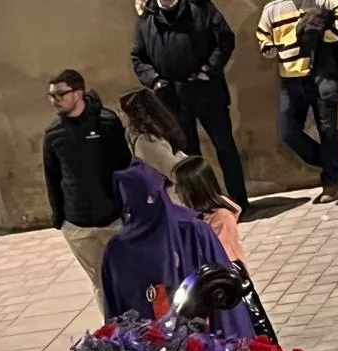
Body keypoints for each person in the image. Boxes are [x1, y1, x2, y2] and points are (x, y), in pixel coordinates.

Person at [132, 0, 250, 208]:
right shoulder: (147, 18)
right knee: (188, 157)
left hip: (207, 93)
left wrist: (208, 70)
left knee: (225, 147)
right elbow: (138, 58)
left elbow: (224, 39)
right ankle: (206, 204)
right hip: (171, 100)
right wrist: (154, 80)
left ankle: (239, 200)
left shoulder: (200, 8)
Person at [100, 162, 239, 329]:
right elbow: (116, 308)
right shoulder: (117, 248)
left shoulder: (192, 231)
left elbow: (223, 294)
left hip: (200, 341)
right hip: (144, 343)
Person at [43, 70, 133, 305]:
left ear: (79, 93)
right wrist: (60, 220)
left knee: (128, 278)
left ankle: (142, 331)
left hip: (114, 221)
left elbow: (125, 167)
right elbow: (52, 178)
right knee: (100, 283)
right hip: (78, 226)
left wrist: (127, 209)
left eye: (60, 94)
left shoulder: (106, 122)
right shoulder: (53, 135)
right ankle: (114, 335)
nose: (55, 100)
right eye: (51, 96)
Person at [257, 0, 338, 203]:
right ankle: (328, 162)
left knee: (327, 129)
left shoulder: (321, 1)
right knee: (288, 132)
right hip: (289, 79)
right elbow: (262, 35)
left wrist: (323, 38)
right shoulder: (272, 8)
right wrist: (268, 47)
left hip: (321, 75)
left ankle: (331, 182)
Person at [173, 155, 248, 266]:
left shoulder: (221, 217)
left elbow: (221, 255)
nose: (175, 191)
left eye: (178, 186)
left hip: (225, 277)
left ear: (194, 188)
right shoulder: (194, 213)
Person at [118, 88, 189, 186]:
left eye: (122, 111)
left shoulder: (147, 143)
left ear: (134, 114)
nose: (120, 115)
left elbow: (175, 173)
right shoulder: (132, 133)